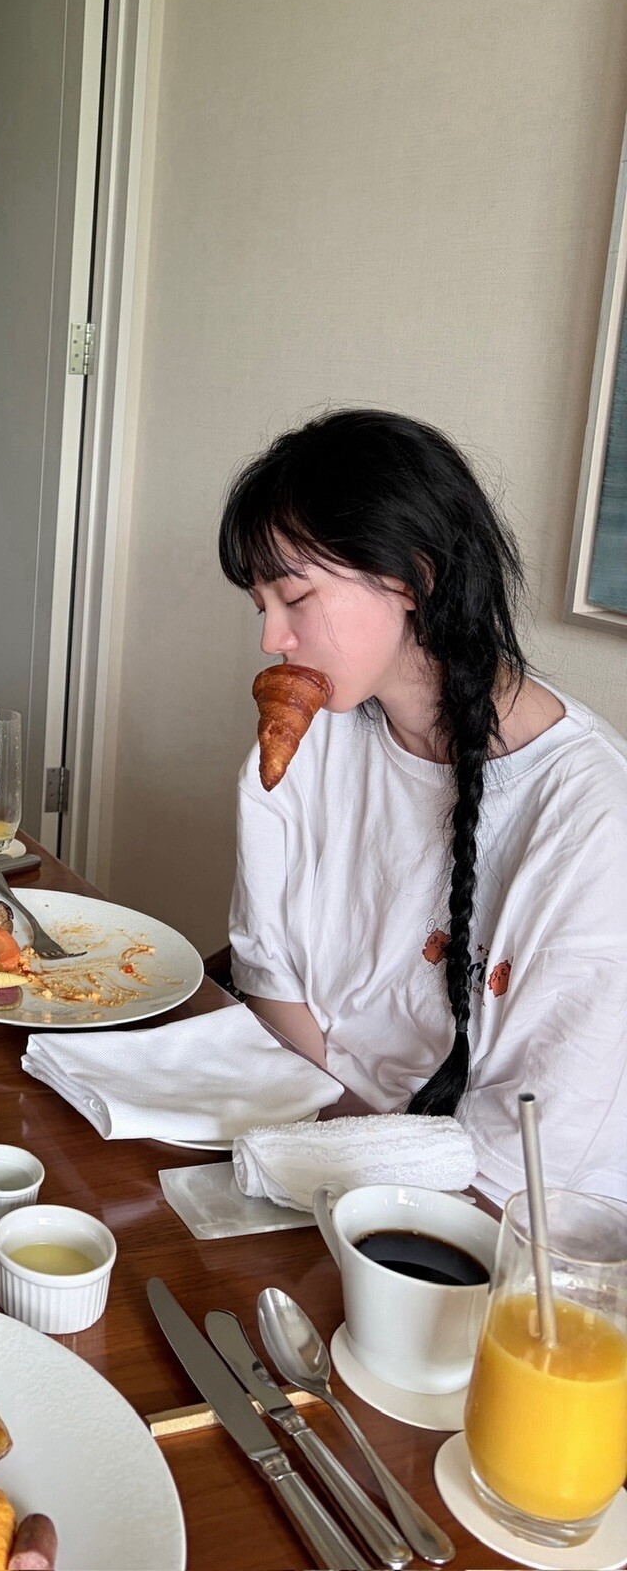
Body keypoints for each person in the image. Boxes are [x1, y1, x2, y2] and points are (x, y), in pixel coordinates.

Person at [219, 409, 627, 1203]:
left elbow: (533, 1151)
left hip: (499, 1221)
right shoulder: (305, 740)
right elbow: (268, 973)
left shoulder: (593, 819)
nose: (272, 638)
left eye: (294, 597)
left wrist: (332, 1170)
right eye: (260, 604)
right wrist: (319, 1152)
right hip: (305, 1144)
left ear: (413, 577)